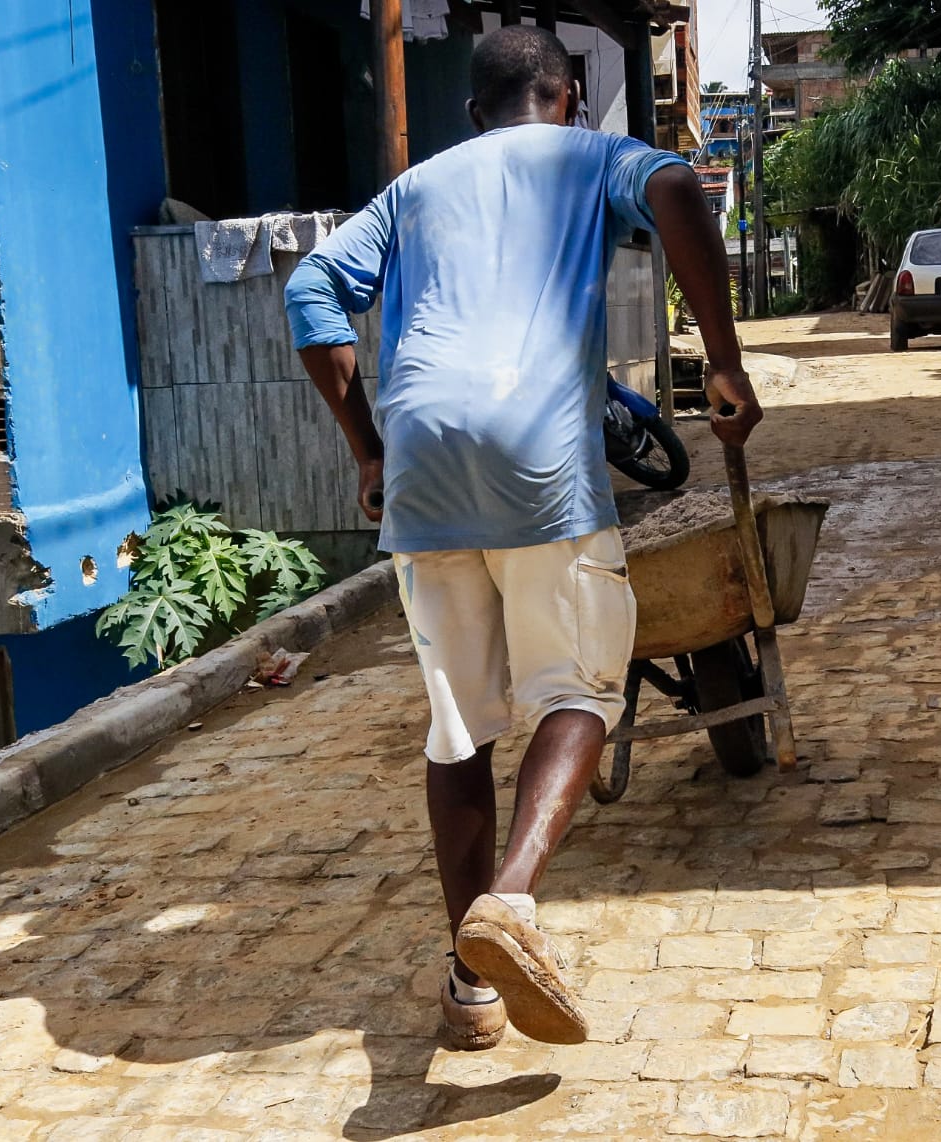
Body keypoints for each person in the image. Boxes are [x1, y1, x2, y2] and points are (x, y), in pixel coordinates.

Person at [284, 24, 761, 1051]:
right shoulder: (595, 156)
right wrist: (722, 362)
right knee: (581, 688)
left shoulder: (416, 188)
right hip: (537, 448)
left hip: (421, 452)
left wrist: (367, 449)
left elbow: (307, 289)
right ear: (572, 94)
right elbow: (679, 190)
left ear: (474, 115)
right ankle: (509, 903)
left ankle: (469, 987)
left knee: (457, 726)